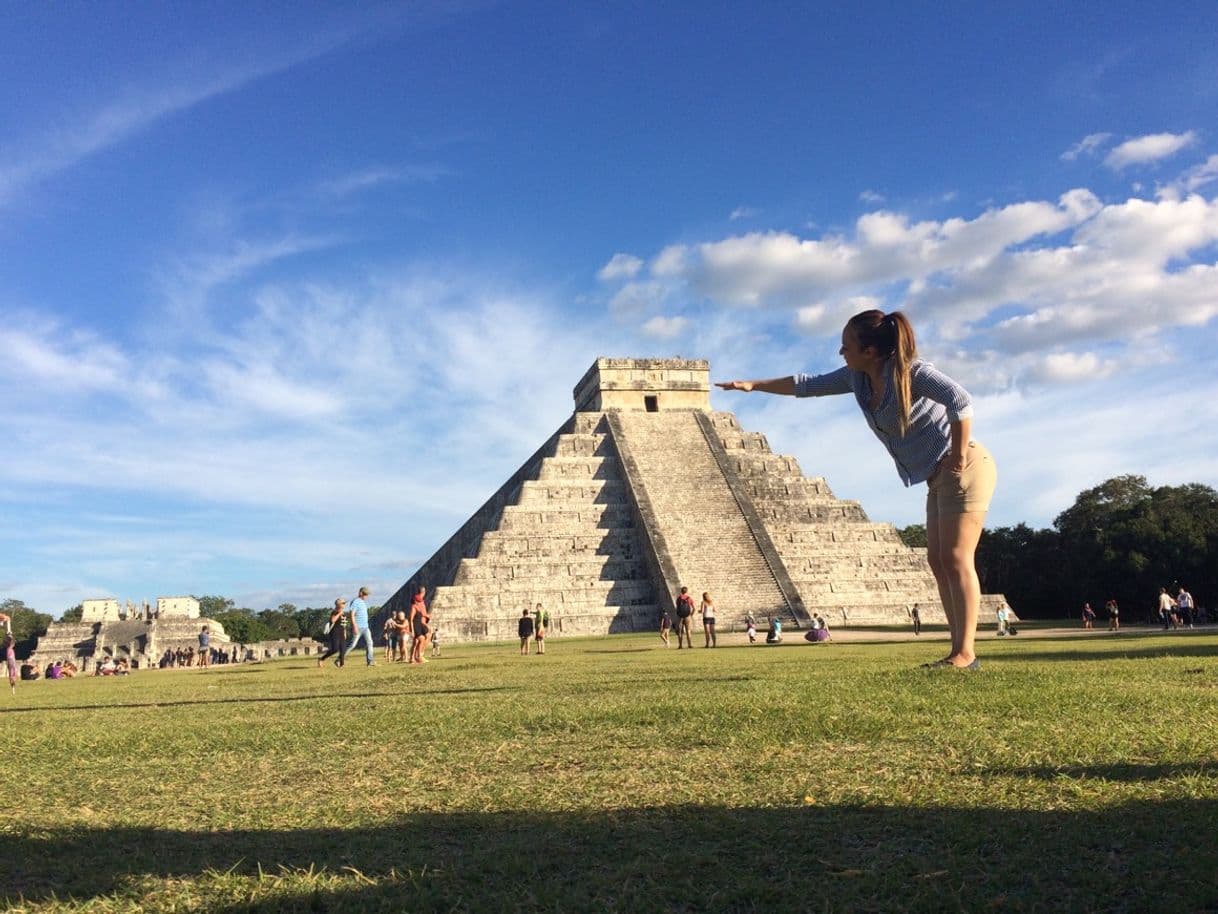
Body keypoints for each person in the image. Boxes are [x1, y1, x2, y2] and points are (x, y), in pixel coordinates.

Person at [717, 309, 996, 670]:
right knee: (938, 561)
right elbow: (807, 385)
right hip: (936, 474)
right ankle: (958, 650)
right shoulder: (858, 379)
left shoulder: (913, 373)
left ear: (871, 351)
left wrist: (958, 454)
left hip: (966, 466)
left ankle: (966, 653)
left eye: (846, 345)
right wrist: (753, 385)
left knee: (957, 558)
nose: (841, 352)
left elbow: (960, 400)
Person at [346, 587, 375, 666]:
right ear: (360, 593)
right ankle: (340, 659)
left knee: (370, 643)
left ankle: (370, 661)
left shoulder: (363, 602)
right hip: (358, 627)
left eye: (367, 595)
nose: (366, 596)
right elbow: (352, 615)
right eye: (365, 594)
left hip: (365, 627)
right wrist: (354, 626)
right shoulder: (355, 602)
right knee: (352, 645)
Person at [316, 598, 349, 668]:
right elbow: (332, 620)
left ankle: (341, 665)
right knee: (335, 649)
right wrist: (339, 613)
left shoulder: (344, 613)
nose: (344, 605)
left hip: (342, 633)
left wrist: (345, 632)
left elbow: (344, 624)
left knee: (343, 649)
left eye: (344, 603)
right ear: (338, 604)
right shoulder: (334, 612)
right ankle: (321, 659)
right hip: (334, 633)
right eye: (343, 603)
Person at [409, 587, 430, 664]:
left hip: (420, 624)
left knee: (423, 638)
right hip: (416, 625)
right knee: (419, 640)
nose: (420, 602)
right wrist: (412, 631)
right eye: (419, 601)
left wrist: (427, 616)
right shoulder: (414, 607)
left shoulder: (419, 606)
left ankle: (417, 656)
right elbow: (410, 619)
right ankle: (417, 657)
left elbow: (423, 614)